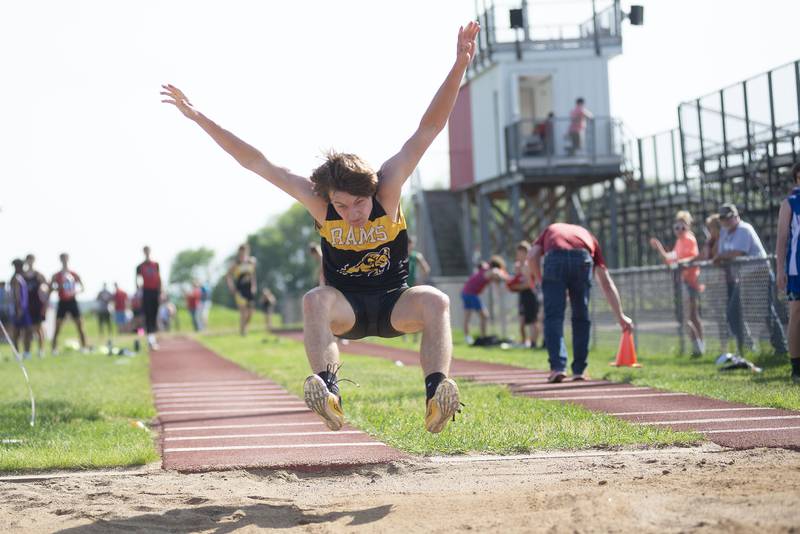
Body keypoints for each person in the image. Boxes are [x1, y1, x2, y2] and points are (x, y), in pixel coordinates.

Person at [162, 20, 481, 434]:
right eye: (342, 206)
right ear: (328, 200)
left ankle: (437, 393)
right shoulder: (319, 202)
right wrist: (198, 116)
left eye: (360, 203)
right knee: (314, 299)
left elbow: (429, 128)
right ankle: (329, 391)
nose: (352, 213)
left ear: (374, 190)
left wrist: (459, 64)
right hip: (344, 308)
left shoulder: (388, 186)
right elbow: (257, 163)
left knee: (436, 300)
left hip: (393, 303)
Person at [528, 223, 633, 382]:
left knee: (553, 317)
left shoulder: (551, 229)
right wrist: (620, 316)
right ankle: (579, 371)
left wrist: (540, 281)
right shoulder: (588, 236)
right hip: (582, 259)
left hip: (555, 258)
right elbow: (606, 283)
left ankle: (557, 368)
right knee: (581, 316)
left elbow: (532, 255)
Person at [713, 203, 787, 357]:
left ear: (736, 216)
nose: (725, 222)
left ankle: (781, 348)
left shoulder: (744, 229)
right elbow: (721, 254)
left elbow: (738, 253)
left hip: (759, 273)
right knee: (733, 312)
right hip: (744, 277)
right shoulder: (724, 232)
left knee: (766, 312)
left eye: (728, 218)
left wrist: (722, 256)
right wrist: (721, 256)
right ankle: (747, 347)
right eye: (722, 219)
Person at [649, 211, 705, 357]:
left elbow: (691, 258)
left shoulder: (689, 239)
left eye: (682, 227)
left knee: (690, 316)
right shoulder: (679, 242)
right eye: (676, 228)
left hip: (691, 282)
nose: (679, 230)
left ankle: (699, 347)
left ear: (688, 227)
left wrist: (679, 263)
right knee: (689, 316)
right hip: (684, 283)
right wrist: (659, 247)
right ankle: (698, 347)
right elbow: (669, 259)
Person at [775, 162, 800, 384]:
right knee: (796, 313)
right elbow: (782, 239)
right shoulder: (790, 203)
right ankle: (796, 367)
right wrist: (780, 269)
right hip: (796, 268)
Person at [460, 256, 508, 345]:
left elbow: (495, 281)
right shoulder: (492, 271)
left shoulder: (485, 269)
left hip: (466, 292)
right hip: (471, 293)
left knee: (468, 317)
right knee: (484, 316)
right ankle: (483, 337)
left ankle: (468, 337)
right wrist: (509, 278)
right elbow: (497, 274)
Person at [49, 253, 88, 354]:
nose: (64, 261)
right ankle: (54, 349)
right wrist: (59, 287)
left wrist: (74, 292)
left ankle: (84, 347)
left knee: (80, 325)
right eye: (62, 259)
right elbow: (50, 287)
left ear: (68, 259)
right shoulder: (56, 275)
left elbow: (82, 288)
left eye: (66, 259)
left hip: (72, 301)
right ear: (60, 260)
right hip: (62, 302)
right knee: (57, 326)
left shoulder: (74, 274)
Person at [507, 241, 540, 348]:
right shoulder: (518, 266)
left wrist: (514, 287)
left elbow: (530, 285)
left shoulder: (528, 265)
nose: (518, 255)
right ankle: (524, 342)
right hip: (523, 295)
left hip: (530, 295)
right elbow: (517, 280)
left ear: (526, 253)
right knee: (522, 321)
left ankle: (533, 343)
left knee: (532, 321)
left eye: (520, 253)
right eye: (518, 253)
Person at [227, 244, 257, 336]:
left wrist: (254, 286)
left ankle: (244, 326)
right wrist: (231, 286)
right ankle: (243, 331)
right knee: (243, 311)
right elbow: (228, 276)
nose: (243, 253)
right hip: (240, 290)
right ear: (239, 252)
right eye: (242, 251)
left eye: (245, 251)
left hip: (249, 290)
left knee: (251, 312)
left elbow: (253, 276)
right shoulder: (236, 263)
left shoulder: (251, 262)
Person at [136, 246, 162, 350]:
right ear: (143, 252)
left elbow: (159, 278)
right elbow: (137, 281)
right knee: (148, 315)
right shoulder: (140, 266)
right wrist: (139, 292)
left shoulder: (156, 264)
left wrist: (160, 292)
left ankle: (153, 338)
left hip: (155, 292)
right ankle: (150, 339)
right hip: (146, 292)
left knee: (154, 315)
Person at [23, 254, 48, 357]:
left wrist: (44, 290)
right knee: (27, 330)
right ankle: (27, 352)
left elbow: (46, 287)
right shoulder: (22, 276)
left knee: (39, 329)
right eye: (28, 260)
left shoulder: (39, 275)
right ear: (26, 261)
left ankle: (41, 351)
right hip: (27, 305)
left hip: (38, 305)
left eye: (32, 260)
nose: (30, 262)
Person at [10, 259, 33, 359]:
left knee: (23, 331)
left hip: (23, 308)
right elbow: (17, 295)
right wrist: (19, 308)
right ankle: (18, 353)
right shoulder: (16, 278)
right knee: (19, 331)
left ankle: (24, 353)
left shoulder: (20, 277)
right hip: (20, 309)